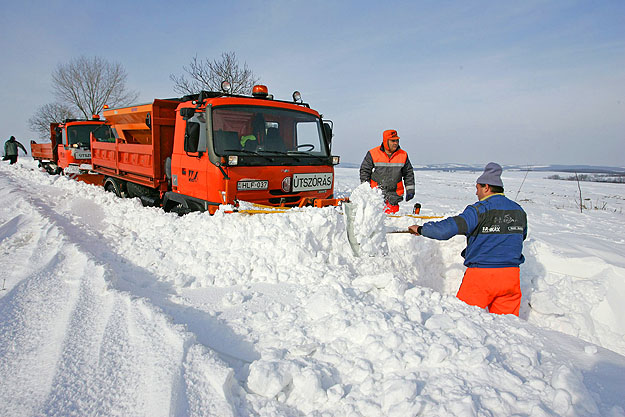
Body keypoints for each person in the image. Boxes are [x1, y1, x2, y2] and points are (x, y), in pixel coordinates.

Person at [408, 162, 527, 316]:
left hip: (482, 276)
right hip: (511, 277)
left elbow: (447, 229)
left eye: (477, 188)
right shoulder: (519, 211)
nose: (476, 193)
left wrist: (422, 229)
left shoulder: (479, 210)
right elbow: (521, 237)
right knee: (506, 326)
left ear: (486, 187)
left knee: (464, 321)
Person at [360, 129, 415, 213]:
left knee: (392, 220)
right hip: (376, 194)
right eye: (393, 141)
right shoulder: (373, 153)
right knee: (374, 217)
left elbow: (408, 173)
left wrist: (410, 190)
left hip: (394, 194)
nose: (395, 143)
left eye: (397, 140)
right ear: (386, 141)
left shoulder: (403, 155)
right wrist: (366, 188)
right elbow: (365, 170)